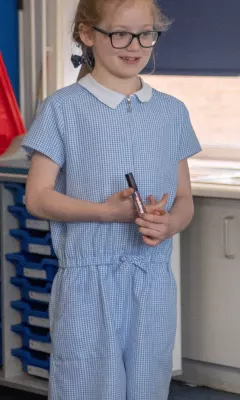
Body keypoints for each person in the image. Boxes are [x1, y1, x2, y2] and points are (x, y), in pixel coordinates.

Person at [22, 0, 201, 398]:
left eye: (146, 33)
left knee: (147, 388)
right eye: (120, 33)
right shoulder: (62, 109)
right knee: (87, 389)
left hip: (152, 280)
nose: (135, 45)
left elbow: (185, 197)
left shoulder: (172, 113)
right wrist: (106, 212)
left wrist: (170, 223)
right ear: (88, 34)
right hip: (88, 283)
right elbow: (37, 197)